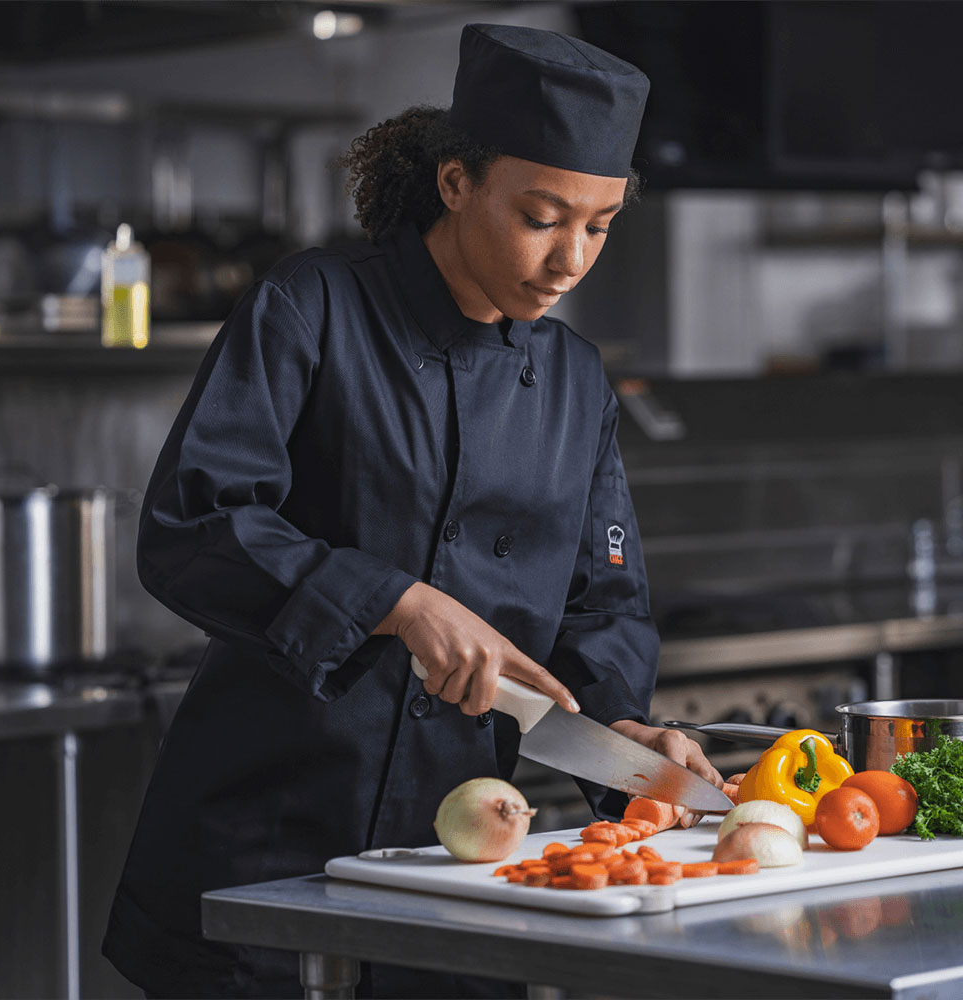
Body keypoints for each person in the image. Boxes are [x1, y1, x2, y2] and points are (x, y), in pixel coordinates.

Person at [103, 22, 722, 999]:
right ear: (455, 182)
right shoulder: (311, 307)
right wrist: (393, 600)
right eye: (542, 216)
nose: (570, 260)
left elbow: (598, 610)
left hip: (459, 864)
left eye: (598, 227)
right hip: (268, 843)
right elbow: (195, 521)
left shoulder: (575, 381)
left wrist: (625, 742)